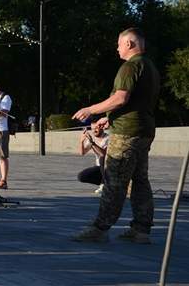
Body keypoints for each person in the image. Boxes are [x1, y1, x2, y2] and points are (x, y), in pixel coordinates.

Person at [72, 28, 160, 244]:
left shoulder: (130, 66)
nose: (117, 48)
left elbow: (121, 98)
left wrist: (92, 110)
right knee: (140, 181)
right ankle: (141, 229)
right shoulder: (149, 66)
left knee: (114, 180)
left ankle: (99, 228)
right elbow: (136, 102)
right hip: (144, 130)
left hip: (127, 133)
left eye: (119, 44)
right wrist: (109, 119)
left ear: (130, 44)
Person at [77, 116, 110, 194]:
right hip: (99, 167)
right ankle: (106, 182)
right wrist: (81, 141)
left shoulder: (107, 138)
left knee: (102, 158)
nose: (94, 130)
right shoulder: (92, 139)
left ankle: (104, 184)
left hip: (109, 166)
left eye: (96, 128)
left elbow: (103, 154)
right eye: (92, 129)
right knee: (81, 176)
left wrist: (93, 143)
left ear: (101, 127)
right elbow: (82, 153)